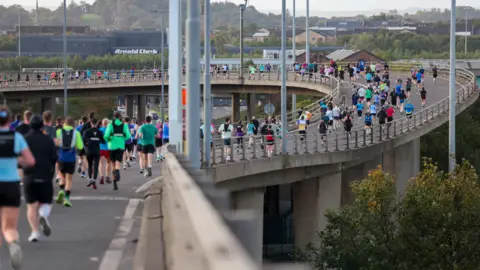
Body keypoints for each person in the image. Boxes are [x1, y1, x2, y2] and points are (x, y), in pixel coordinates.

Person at [0, 106, 35, 270]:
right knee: (9, 227)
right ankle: (12, 243)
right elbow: (31, 161)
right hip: (11, 184)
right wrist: (17, 160)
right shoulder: (17, 137)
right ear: (10, 120)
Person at [23, 114, 57, 242]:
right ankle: (43, 214)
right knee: (46, 202)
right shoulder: (48, 140)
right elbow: (54, 157)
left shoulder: (25, 139)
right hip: (45, 174)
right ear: (42, 125)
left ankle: (35, 232)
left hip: (29, 175)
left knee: (31, 206)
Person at [56, 116, 84, 207]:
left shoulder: (59, 131)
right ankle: (67, 199)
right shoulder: (76, 133)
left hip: (61, 157)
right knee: (69, 179)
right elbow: (80, 146)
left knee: (61, 176)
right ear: (73, 124)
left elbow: (55, 143)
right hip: (71, 158)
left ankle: (60, 191)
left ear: (65, 123)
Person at [103, 111, 131, 190]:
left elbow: (106, 136)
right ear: (119, 117)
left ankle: (114, 182)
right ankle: (117, 171)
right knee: (118, 161)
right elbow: (128, 136)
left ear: (113, 116)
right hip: (120, 146)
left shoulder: (110, 125)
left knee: (112, 163)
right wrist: (123, 138)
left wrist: (109, 139)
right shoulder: (124, 125)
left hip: (111, 146)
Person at [83, 119, 105, 189]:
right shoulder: (100, 132)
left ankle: (90, 180)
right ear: (96, 123)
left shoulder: (86, 131)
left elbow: (83, 141)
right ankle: (94, 181)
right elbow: (103, 141)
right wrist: (97, 140)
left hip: (89, 151)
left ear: (91, 123)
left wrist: (87, 145)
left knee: (89, 165)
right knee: (96, 166)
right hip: (97, 151)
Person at [98, 118, 112, 185]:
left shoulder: (99, 130)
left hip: (100, 148)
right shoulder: (110, 130)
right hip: (108, 148)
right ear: (108, 123)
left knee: (101, 163)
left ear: (102, 123)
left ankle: (101, 176)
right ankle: (107, 177)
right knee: (109, 163)